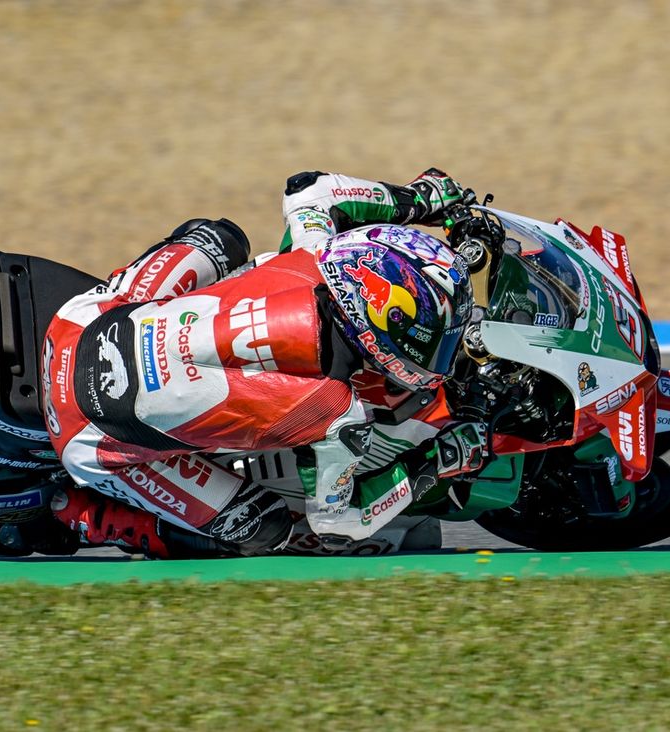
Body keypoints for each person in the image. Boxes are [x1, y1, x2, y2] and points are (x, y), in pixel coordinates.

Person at [44, 169, 489, 557]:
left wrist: (421, 199)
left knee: (220, 239)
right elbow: (337, 524)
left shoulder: (314, 253)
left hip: (78, 323)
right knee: (263, 526)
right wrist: (435, 462)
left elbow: (308, 188)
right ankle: (96, 516)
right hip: (90, 438)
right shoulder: (335, 411)